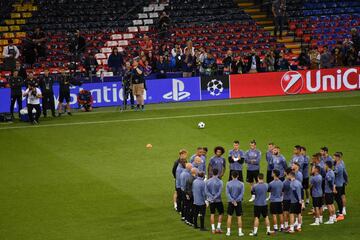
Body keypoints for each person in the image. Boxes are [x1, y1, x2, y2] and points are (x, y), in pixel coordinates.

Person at [225, 171, 245, 237]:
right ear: (238, 176)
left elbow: (227, 194)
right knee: (239, 217)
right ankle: (240, 232)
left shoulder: (228, 183)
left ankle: (228, 232)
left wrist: (232, 201)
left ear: (231, 176)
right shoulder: (241, 184)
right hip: (238, 202)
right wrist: (236, 201)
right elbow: (241, 194)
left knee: (229, 217)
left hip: (230, 202)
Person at [205, 168, 224, 234]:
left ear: (212, 173)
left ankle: (213, 229)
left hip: (211, 201)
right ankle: (218, 228)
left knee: (212, 214)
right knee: (221, 213)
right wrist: (215, 197)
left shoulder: (207, 181)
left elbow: (206, 191)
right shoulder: (220, 181)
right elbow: (219, 192)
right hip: (218, 200)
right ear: (218, 173)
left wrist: (211, 197)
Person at [333, 153, 345, 221]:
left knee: (338, 199)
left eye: (334, 157)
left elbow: (335, 173)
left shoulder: (339, 166)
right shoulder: (337, 164)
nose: (333, 158)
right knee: (337, 199)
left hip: (338, 185)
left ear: (338, 157)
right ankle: (340, 212)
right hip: (338, 184)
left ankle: (341, 214)